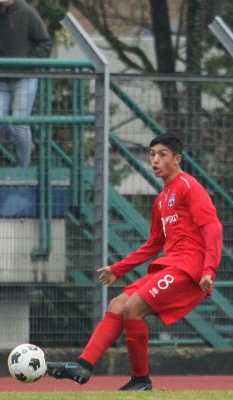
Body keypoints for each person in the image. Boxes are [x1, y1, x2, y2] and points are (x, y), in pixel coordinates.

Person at [46, 133, 223, 391]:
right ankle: (83, 364)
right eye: (152, 154)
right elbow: (153, 244)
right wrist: (118, 269)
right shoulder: (162, 200)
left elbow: (213, 228)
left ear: (177, 159)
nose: (155, 160)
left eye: (162, 154)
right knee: (118, 304)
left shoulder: (188, 186)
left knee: (132, 309)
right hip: (170, 265)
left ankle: (141, 380)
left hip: (189, 270)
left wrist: (209, 270)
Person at [0, 0, 52, 166]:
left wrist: (27, 62)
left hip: (25, 77)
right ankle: (25, 144)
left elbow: (45, 43)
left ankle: (22, 168)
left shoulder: (28, 13)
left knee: (20, 123)